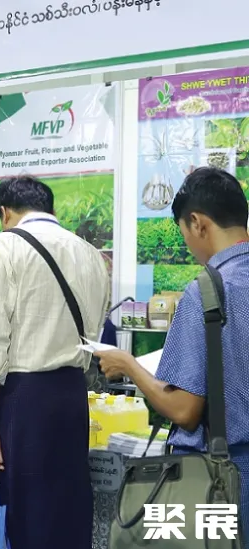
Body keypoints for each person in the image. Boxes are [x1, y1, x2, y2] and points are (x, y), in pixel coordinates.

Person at [95, 167, 249, 543]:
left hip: (224, 480)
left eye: (184, 234)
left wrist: (128, 364)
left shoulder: (208, 291)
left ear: (197, 223)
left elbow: (184, 409)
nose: (189, 246)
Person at [0, 176, 109, 549]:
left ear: (4, 212)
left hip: (24, 397)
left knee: (25, 514)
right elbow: (95, 329)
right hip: (73, 395)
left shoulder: (2, 246)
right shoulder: (91, 254)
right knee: (68, 509)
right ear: (52, 209)